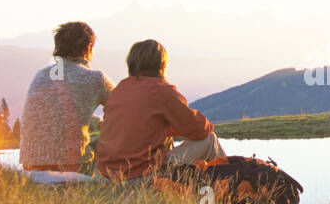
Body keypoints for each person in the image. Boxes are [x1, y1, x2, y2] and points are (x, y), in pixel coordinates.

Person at [95, 38, 225, 182]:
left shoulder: (120, 89)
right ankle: (230, 187)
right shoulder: (161, 91)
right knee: (209, 140)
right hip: (140, 177)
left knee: (165, 137)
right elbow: (200, 129)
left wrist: (165, 128)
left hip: (106, 176)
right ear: (161, 64)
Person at [19, 21, 114, 173]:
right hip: (72, 165)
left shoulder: (41, 75)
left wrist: (94, 121)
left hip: (30, 164)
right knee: (103, 141)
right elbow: (124, 108)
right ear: (89, 48)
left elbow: (56, 114)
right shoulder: (95, 79)